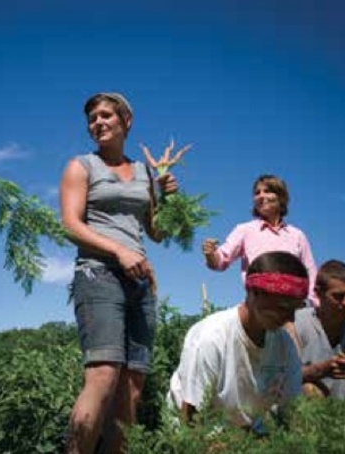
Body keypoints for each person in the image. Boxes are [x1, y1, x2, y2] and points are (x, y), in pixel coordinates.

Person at [60, 92, 178, 454]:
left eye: (106, 115)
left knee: (133, 384)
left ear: (126, 122)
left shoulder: (143, 173)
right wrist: (118, 250)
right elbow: (69, 225)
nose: (98, 122)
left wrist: (168, 196)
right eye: (92, 118)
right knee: (103, 373)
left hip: (139, 281)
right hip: (99, 274)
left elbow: (158, 232)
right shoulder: (81, 167)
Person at [168, 251, 307, 430]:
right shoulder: (212, 337)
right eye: (282, 307)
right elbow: (190, 418)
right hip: (198, 430)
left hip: (246, 432)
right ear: (253, 293)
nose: (291, 319)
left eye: (295, 308)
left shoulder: (284, 344)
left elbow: (292, 413)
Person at [202, 174, 318, 306]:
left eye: (267, 191)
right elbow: (220, 262)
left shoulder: (297, 235)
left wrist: (315, 307)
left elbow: (311, 273)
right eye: (257, 193)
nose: (261, 196)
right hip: (258, 307)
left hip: (293, 308)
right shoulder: (245, 230)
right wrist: (210, 254)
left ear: (281, 197)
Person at [293, 260, 345, 409]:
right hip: (297, 411)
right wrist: (321, 370)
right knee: (309, 388)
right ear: (318, 293)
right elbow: (281, 376)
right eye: (339, 296)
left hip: (344, 417)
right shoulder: (296, 324)